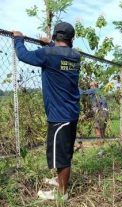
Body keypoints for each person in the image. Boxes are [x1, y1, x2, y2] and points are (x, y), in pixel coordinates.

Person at [13, 21, 80, 200]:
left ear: (53, 37)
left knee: (62, 156)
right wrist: (49, 45)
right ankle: (60, 181)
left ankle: (62, 194)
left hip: (60, 115)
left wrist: (18, 39)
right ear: (71, 39)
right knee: (64, 151)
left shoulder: (48, 54)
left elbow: (23, 55)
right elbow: (60, 54)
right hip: (71, 111)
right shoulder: (75, 55)